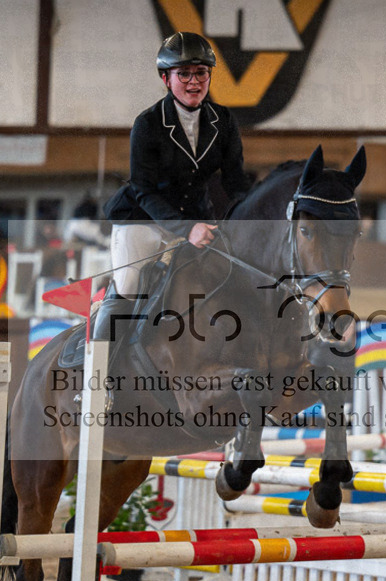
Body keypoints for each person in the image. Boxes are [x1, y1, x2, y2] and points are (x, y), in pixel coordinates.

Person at [99, 31, 251, 349]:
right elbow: (143, 189)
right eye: (184, 73)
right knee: (128, 287)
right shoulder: (148, 124)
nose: (193, 81)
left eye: (201, 73)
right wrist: (186, 228)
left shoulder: (223, 122)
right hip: (141, 221)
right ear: (166, 79)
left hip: (196, 221)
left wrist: (253, 220)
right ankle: (97, 377)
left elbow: (236, 184)